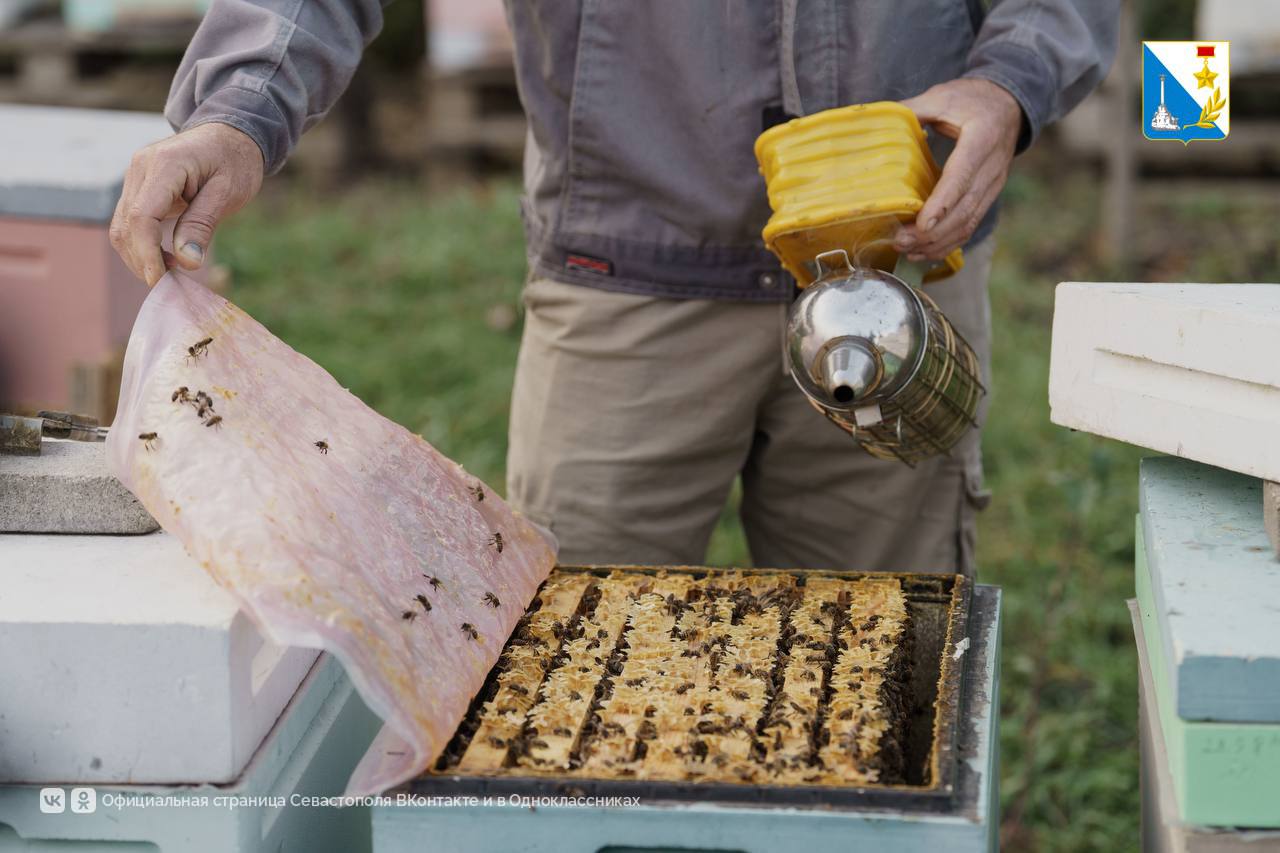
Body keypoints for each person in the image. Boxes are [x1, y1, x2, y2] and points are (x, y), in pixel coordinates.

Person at [110, 1, 1118, 576]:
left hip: (896, 249)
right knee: (573, 672)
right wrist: (237, 112)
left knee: (889, 671)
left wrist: (1009, 83)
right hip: (626, 260)